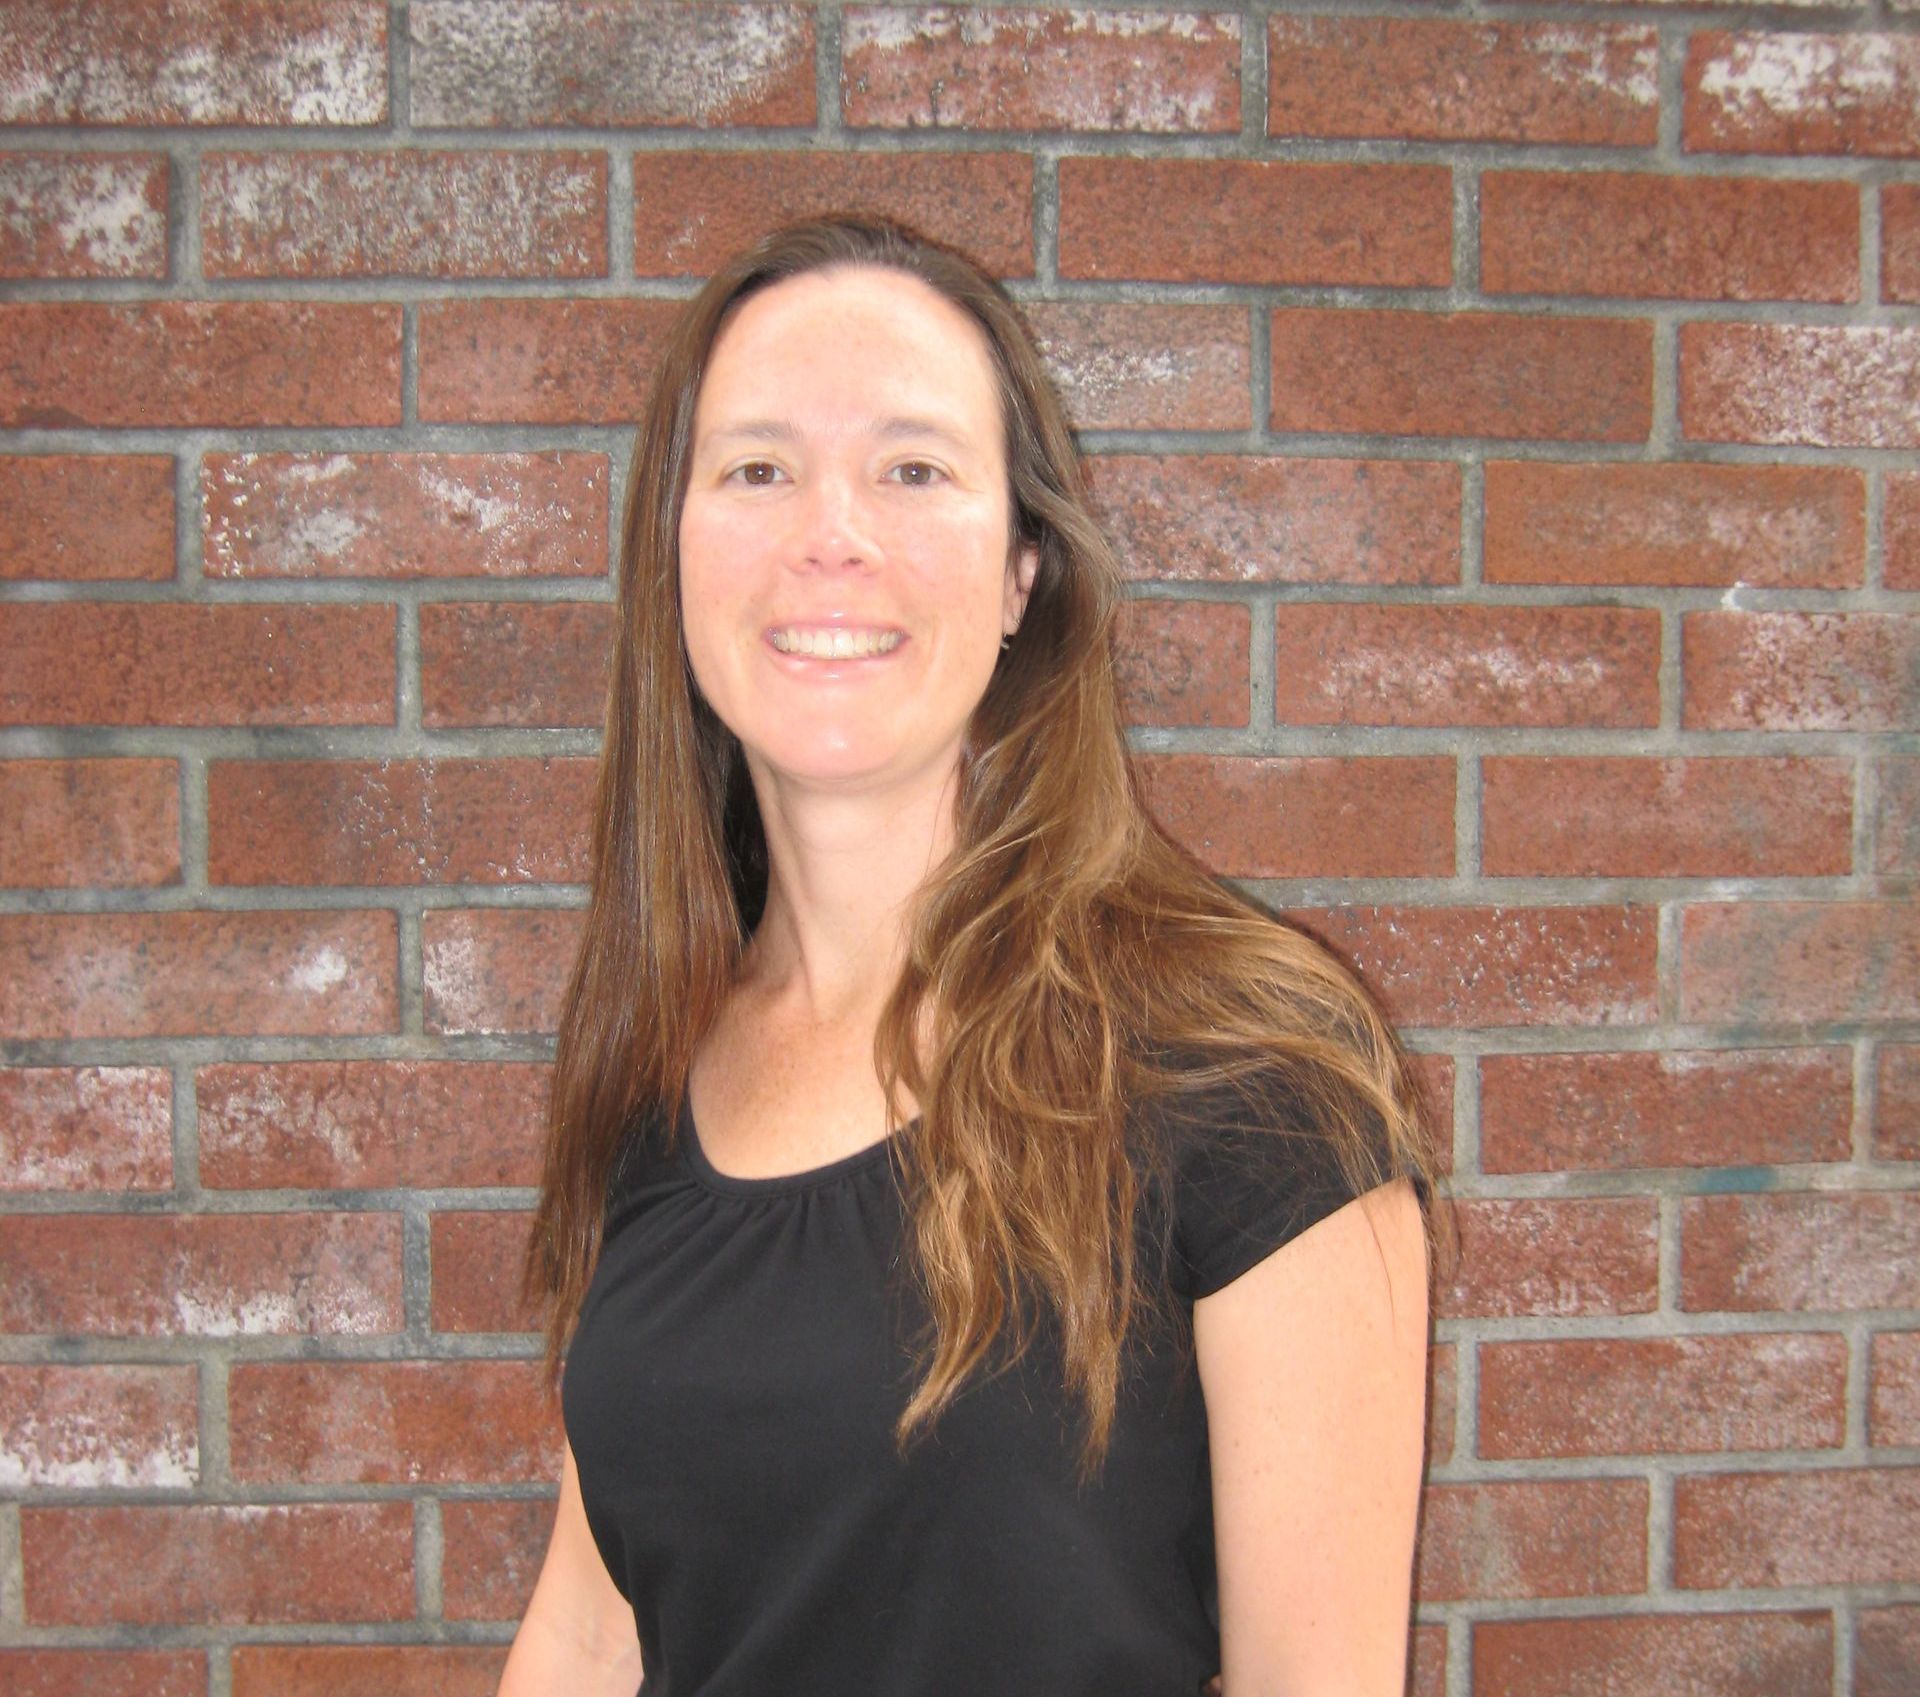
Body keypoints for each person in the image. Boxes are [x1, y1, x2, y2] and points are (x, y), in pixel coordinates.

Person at [498, 213, 1447, 1697]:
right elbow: (590, 1627)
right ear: (672, 557)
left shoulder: (1249, 1066)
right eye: (758, 467)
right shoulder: (657, 1076)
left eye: (913, 468)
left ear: (1022, 576)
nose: (832, 532)